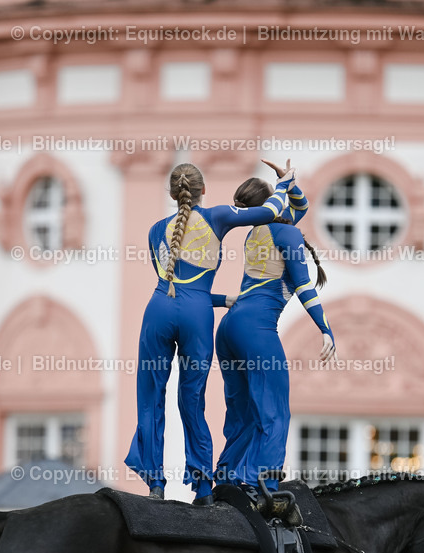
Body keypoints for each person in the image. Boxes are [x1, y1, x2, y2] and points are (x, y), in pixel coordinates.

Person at [124, 162, 295, 502]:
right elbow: (271, 211)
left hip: (157, 311)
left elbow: (172, 284)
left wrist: (224, 299)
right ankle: (202, 487)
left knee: (150, 397)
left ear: (172, 194)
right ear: (203, 191)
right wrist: (285, 183)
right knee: (192, 399)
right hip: (197, 317)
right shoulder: (217, 216)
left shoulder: (156, 230)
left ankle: (155, 484)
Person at [213, 160, 335, 496]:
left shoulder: (257, 232)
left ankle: (226, 479)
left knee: (242, 411)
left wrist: (286, 182)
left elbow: (301, 206)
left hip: (228, 329)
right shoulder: (287, 233)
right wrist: (325, 329)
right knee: (273, 410)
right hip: (256, 329)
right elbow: (303, 286)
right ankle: (263, 484)